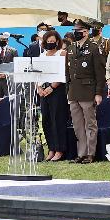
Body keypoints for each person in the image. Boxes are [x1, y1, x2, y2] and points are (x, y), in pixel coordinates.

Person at [65, 19, 106, 164]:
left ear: (86, 31)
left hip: (88, 90)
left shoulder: (94, 48)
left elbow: (100, 73)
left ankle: (90, 153)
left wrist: (98, 92)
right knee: (77, 124)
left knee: (90, 123)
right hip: (74, 91)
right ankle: (81, 153)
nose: (76, 33)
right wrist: (67, 91)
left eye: (79, 30)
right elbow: (67, 72)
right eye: (75, 30)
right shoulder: (71, 48)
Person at [38, 30, 69, 161]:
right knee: (46, 121)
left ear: (57, 42)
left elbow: (63, 73)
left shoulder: (62, 53)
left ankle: (59, 149)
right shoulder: (42, 55)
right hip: (43, 92)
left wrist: (52, 87)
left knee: (58, 120)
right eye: (48, 41)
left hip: (57, 90)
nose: (50, 43)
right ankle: (51, 148)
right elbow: (37, 73)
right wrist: (39, 87)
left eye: (53, 41)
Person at [0, 32, 18, 99]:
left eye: (4, 39)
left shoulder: (13, 51)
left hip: (8, 81)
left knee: (8, 101)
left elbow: (16, 66)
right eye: (0, 39)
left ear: (7, 40)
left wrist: (7, 74)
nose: (2, 41)